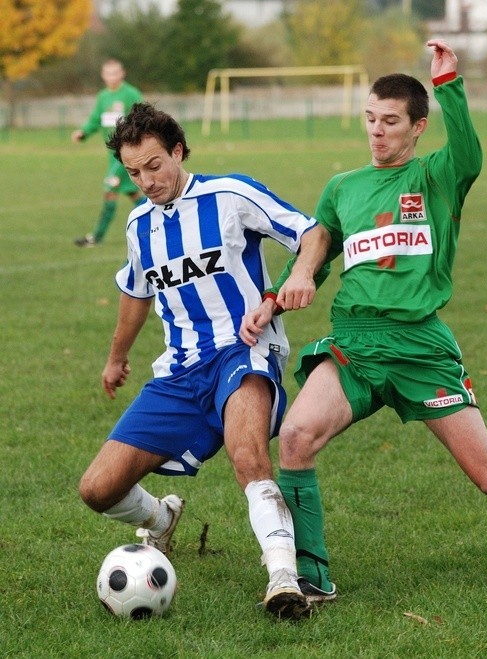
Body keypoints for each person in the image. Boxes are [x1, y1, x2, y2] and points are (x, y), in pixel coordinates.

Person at [241, 40, 487, 603]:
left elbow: (469, 151)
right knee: (297, 438)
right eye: (370, 119)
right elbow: (316, 255)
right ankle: (314, 578)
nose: (376, 131)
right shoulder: (342, 188)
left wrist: (450, 83)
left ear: (418, 126)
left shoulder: (438, 176)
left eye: (390, 121)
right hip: (355, 342)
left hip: (421, 346)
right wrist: (277, 296)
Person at [78, 102, 328, 620]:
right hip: (178, 371)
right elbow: (136, 292)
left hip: (243, 350)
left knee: (247, 455)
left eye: (153, 165)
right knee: (98, 489)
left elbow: (311, 232)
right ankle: (161, 519)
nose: (145, 181)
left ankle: (283, 578)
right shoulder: (139, 224)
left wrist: (297, 278)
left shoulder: (229, 195)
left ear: (177, 151)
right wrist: (115, 358)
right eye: (132, 172)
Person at [72, 59, 145, 247]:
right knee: (133, 194)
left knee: (109, 190)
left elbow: (143, 119)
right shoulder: (103, 96)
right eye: (108, 73)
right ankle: (163, 221)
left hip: (126, 154)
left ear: (122, 74)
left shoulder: (131, 94)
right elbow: (96, 119)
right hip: (112, 155)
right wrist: (83, 132)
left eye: (115, 73)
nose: (111, 77)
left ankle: (96, 237)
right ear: (103, 76)